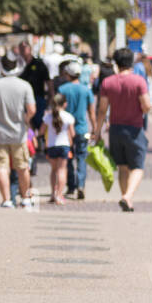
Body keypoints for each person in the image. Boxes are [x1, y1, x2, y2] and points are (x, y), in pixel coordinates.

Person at [93, 46, 150, 212]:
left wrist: (97, 132)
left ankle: (127, 199)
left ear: (116, 64)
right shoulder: (138, 81)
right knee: (138, 167)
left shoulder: (107, 82)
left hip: (115, 129)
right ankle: (127, 196)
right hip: (134, 129)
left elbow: (102, 109)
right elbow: (146, 106)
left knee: (123, 167)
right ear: (131, 62)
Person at [0, 53, 36, 208]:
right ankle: (25, 198)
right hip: (18, 132)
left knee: (1, 167)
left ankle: (6, 200)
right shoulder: (24, 85)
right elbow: (32, 109)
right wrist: (25, 120)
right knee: (22, 166)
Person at [57, 60, 94, 199]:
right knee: (81, 158)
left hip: (66, 130)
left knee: (68, 158)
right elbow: (91, 112)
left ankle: (71, 186)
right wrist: (95, 128)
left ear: (68, 74)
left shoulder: (62, 89)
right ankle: (81, 185)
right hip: (82, 129)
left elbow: (56, 107)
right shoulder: (86, 89)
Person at [42, 91, 74, 204]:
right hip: (64, 145)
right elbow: (72, 134)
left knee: (54, 170)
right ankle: (59, 195)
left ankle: (52, 193)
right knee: (62, 170)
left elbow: (42, 131)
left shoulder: (48, 116)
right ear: (64, 104)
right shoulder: (68, 117)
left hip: (51, 145)